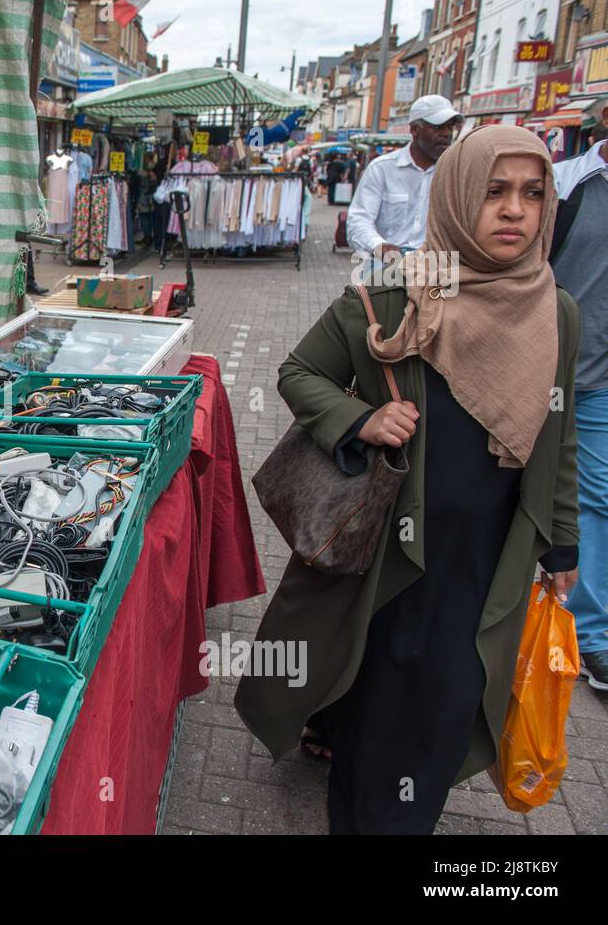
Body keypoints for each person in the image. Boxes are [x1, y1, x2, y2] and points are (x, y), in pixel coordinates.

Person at [236, 125, 581, 834]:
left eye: (531, 193)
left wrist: (564, 543)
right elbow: (300, 371)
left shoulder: (556, 312)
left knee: (453, 699)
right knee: (380, 701)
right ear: (455, 197)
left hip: (490, 562)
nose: (514, 210)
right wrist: (360, 418)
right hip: (394, 559)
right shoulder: (397, 293)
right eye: (493, 192)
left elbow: (560, 432)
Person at [550, 99, 608, 690]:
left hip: (600, 384)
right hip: (537, 367)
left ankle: (590, 635)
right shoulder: (568, 184)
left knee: (597, 496)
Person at [346, 94, 463, 268]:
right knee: (377, 290)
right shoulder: (382, 169)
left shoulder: (456, 173)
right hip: (385, 264)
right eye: (438, 127)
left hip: (437, 265)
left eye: (450, 127)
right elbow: (358, 220)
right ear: (415, 130)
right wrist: (380, 245)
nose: (446, 134)